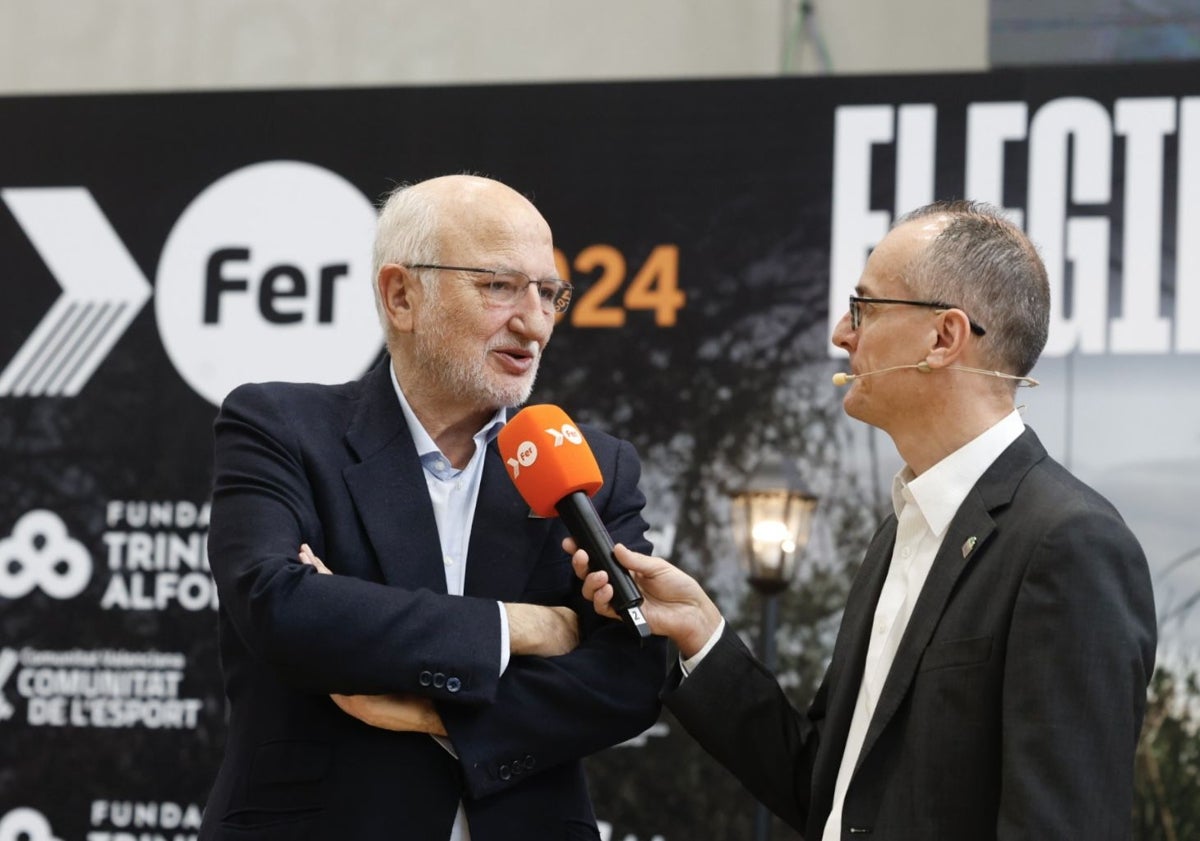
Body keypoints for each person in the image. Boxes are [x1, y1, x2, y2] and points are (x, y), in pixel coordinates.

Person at [571, 200, 1157, 840]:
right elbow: (829, 790)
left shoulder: (1068, 543)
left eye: (864, 309)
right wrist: (701, 634)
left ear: (943, 337)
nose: (840, 335)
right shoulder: (900, 533)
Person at [200, 174, 665, 841]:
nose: (534, 322)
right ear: (401, 295)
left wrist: (433, 714)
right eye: (500, 286)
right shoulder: (279, 426)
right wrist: (523, 628)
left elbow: (632, 673)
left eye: (549, 293)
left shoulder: (592, 465)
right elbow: (284, 609)